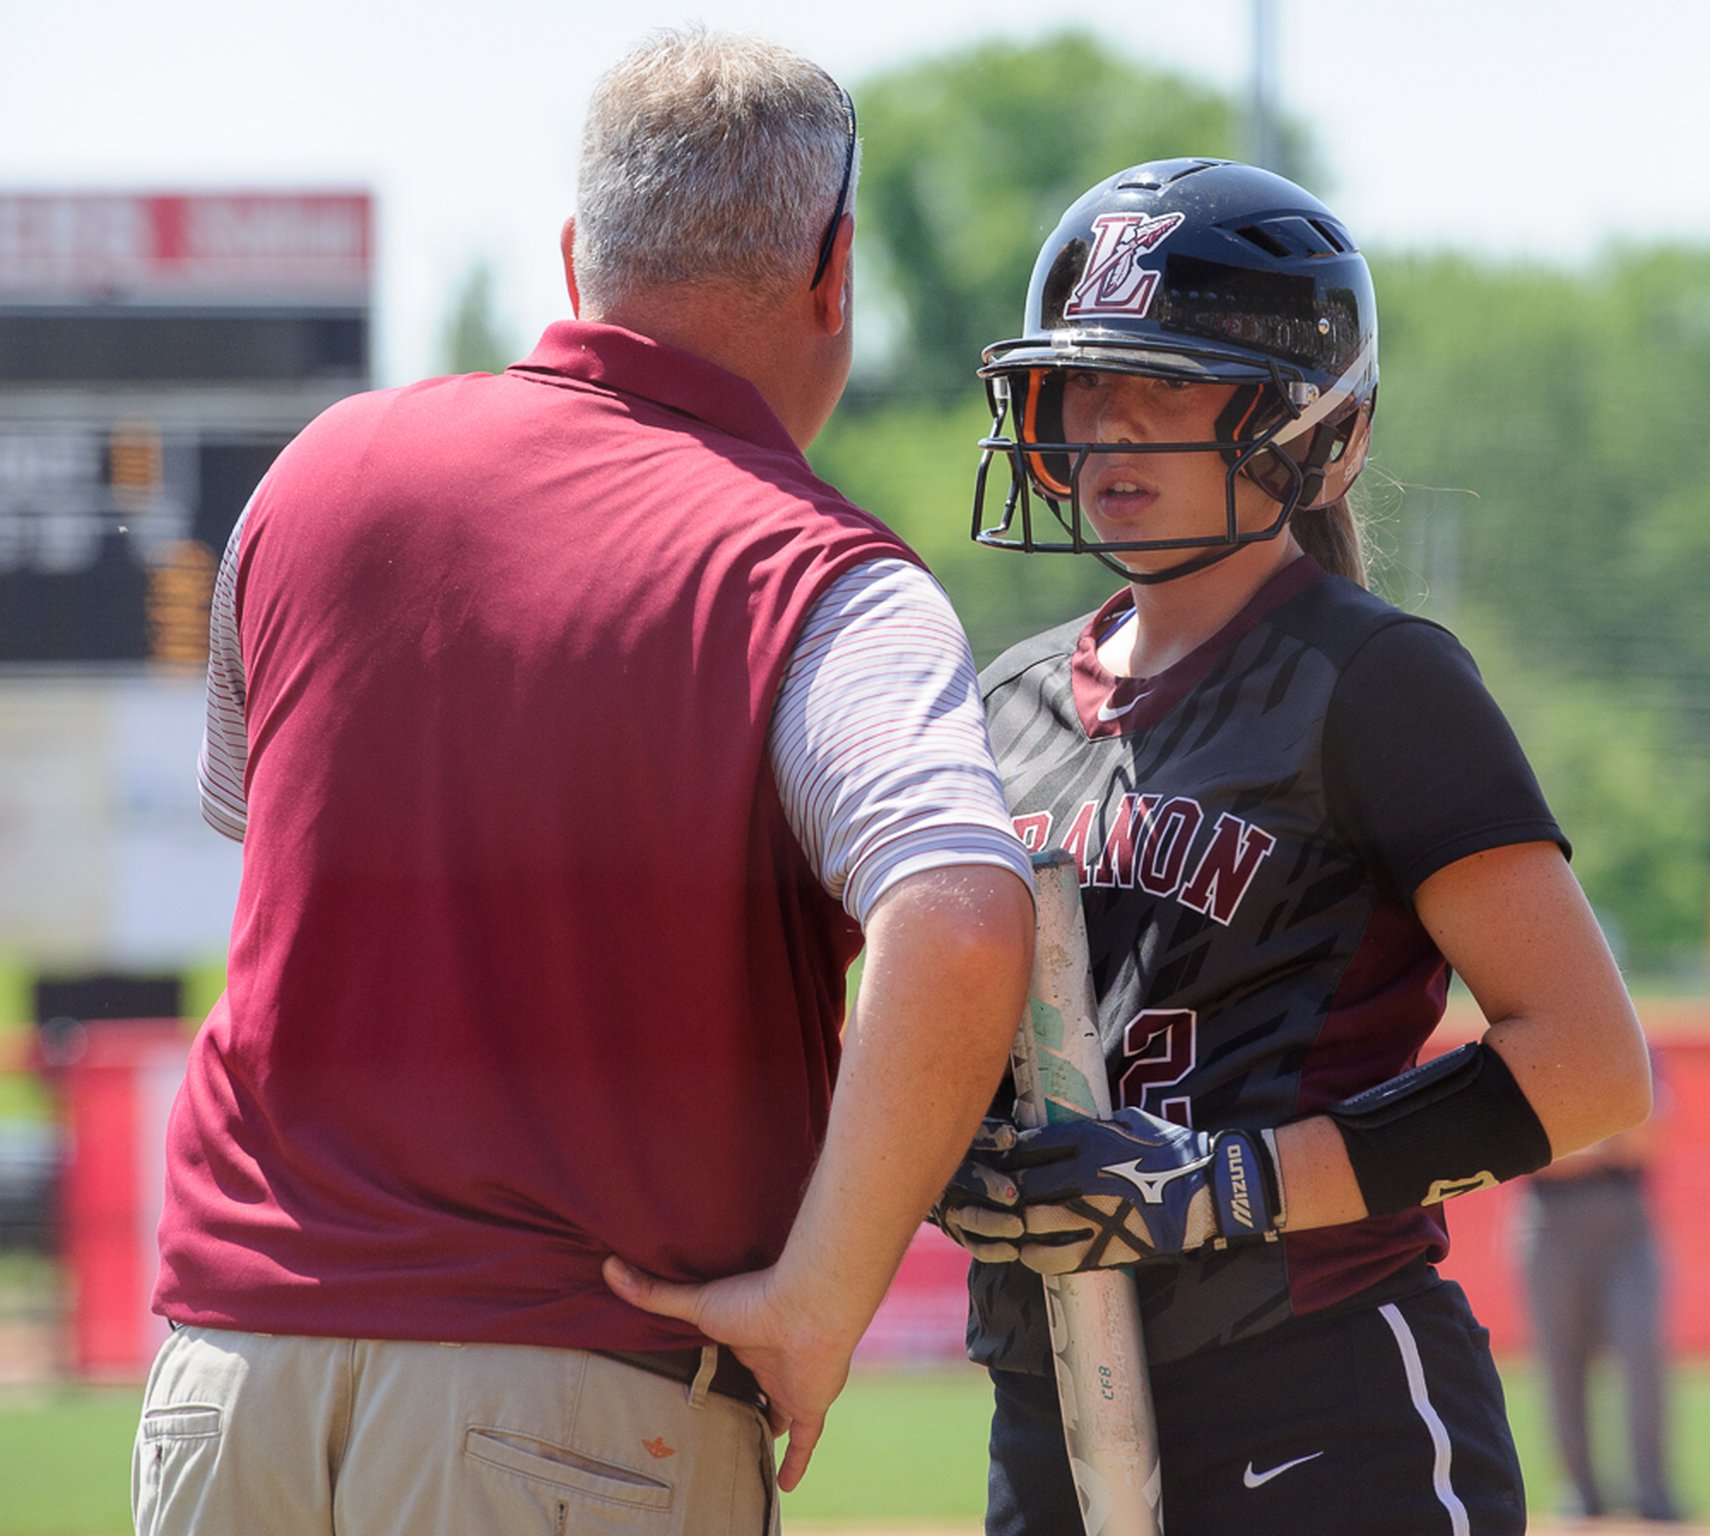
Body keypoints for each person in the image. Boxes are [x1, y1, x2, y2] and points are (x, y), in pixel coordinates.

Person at [132, 28, 1036, 1536]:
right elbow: (953, 914)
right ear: (834, 276)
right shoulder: (820, 579)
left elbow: (274, 860)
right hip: (572, 1394)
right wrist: (820, 1299)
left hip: (231, 1381)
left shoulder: (316, 477)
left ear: (575, 257)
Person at [936, 158, 1654, 1536]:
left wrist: (1220, 1186)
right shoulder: (1003, 705)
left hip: (1316, 1403)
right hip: (1046, 1399)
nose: (1108, 429)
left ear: (1304, 425)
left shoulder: (1375, 681)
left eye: (1164, 383)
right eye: (1084, 383)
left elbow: (1586, 1063)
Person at [1516, 1046, 1682, 1522]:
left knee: (1642, 1354)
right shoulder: (1533, 1050)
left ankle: (1653, 1492)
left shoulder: (1634, 1046)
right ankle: (1581, 1489)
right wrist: (1610, 1136)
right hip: (1549, 1221)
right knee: (1559, 1359)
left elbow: (1650, 1140)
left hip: (1626, 1220)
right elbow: (1530, 1157)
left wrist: (1573, 1141)